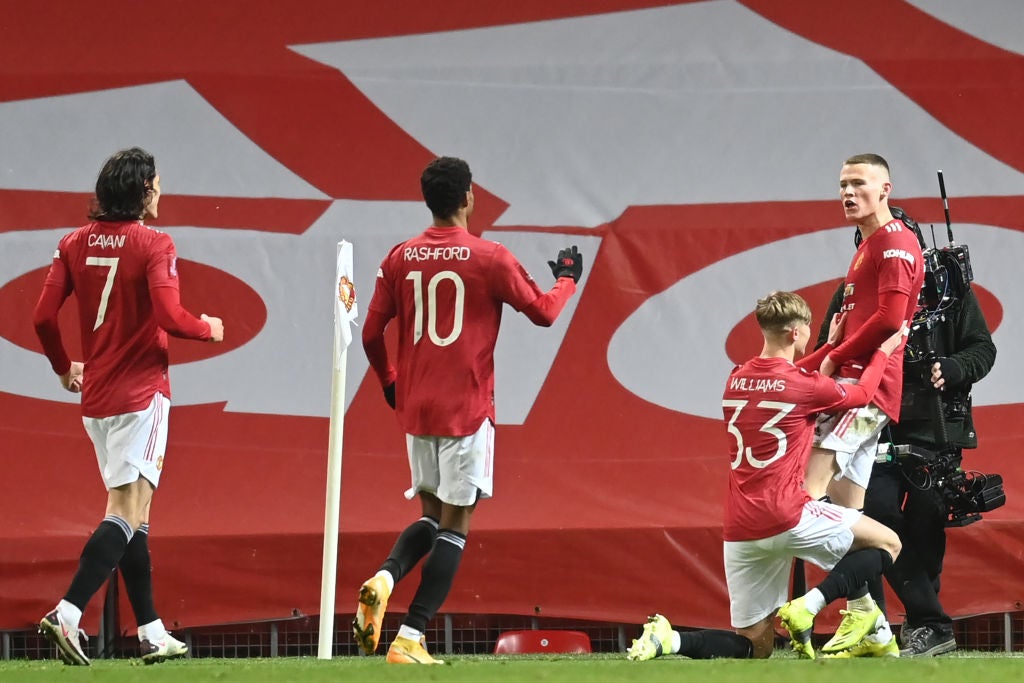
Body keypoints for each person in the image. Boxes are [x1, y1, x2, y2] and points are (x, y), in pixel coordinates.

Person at [354, 156, 583, 665]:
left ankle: (386, 576)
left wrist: (389, 381)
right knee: (456, 524)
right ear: (468, 197)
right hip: (467, 408)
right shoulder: (490, 257)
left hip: (416, 408)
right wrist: (567, 279)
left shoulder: (399, 258)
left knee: (430, 515)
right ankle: (411, 637)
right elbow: (544, 313)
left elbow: (370, 334)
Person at [626, 291, 905, 662]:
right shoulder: (804, 388)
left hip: (741, 528)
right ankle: (811, 604)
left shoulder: (736, 378)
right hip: (789, 514)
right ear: (796, 333)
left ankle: (670, 640)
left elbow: (789, 377)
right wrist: (885, 350)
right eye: (808, 330)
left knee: (755, 648)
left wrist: (831, 348)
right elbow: (865, 392)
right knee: (888, 544)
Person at [32, 147, 224, 666]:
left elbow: (43, 317)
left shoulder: (72, 243)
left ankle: (153, 631)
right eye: (157, 184)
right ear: (143, 190)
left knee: (136, 517)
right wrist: (208, 327)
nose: (161, 192)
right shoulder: (153, 243)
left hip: (97, 401)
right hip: (142, 395)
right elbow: (170, 314)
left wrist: (61, 367)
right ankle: (68, 613)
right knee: (125, 511)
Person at [816, 209, 996, 657]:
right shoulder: (850, 293)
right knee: (873, 520)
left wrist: (954, 369)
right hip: (871, 425)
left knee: (926, 527)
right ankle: (904, 623)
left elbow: (982, 348)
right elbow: (827, 353)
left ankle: (920, 624)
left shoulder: (948, 289)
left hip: (934, 428)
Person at [806, 154, 925, 511]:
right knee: (848, 510)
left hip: (867, 394)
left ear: (886, 190)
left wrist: (834, 357)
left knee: (805, 493)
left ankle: (886, 550)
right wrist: (831, 352)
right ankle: (884, 551)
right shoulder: (869, 244)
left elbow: (891, 320)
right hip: (855, 389)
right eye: (843, 184)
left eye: (859, 183)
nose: (848, 192)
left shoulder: (896, 244)